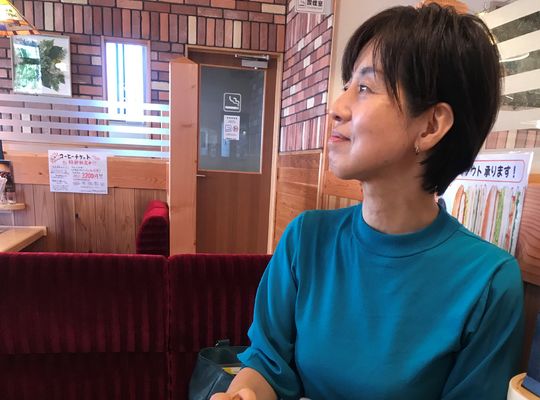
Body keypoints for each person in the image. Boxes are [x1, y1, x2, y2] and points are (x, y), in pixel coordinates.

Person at [212, 3, 523, 399]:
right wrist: (245, 394)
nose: (336, 108)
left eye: (364, 87)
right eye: (347, 85)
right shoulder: (306, 239)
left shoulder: (489, 282)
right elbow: (267, 363)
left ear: (430, 125)